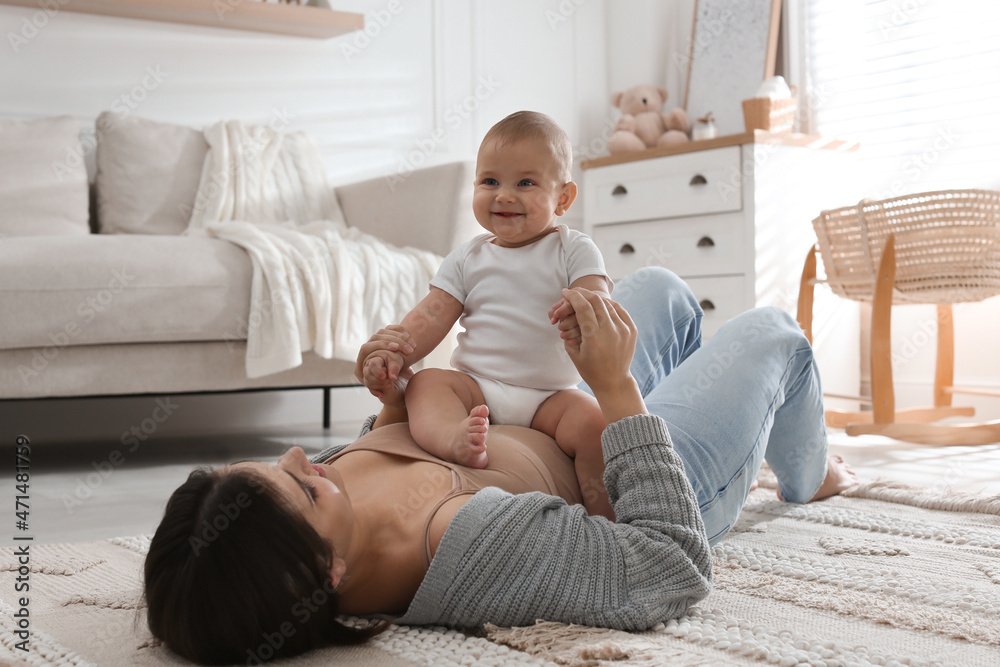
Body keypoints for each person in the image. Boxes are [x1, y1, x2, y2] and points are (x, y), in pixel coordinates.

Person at [143, 267, 858, 665]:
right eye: (302, 483)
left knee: (661, 293)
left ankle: (735, 423)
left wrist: (395, 393)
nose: (305, 455)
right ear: (324, 573)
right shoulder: (465, 547)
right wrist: (616, 389)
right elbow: (671, 564)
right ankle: (806, 471)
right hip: (643, 473)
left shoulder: (314, 520)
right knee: (777, 336)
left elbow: (401, 449)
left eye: (275, 463)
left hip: (552, 412)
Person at [365, 110, 616, 519]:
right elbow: (430, 314)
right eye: (490, 181)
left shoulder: (574, 249)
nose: (504, 195)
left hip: (550, 397)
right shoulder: (467, 257)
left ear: (563, 198)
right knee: (425, 384)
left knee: (594, 423)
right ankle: (453, 438)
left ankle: (601, 514)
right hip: (475, 388)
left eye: (526, 183)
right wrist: (397, 353)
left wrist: (582, 309)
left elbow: (597, 297)